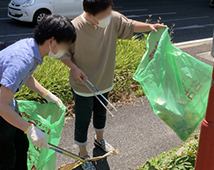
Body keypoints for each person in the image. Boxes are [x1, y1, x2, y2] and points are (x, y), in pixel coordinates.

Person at [60, 0, 166, 169]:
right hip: (83, 85)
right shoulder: (73, 28)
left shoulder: (111, 18)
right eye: (104, 15)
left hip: (105, 80)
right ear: (89, 14)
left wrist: (150, 26)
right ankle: (83, 155)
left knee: (101, 113)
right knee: (82, 120)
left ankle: (100, 140)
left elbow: (129, 25)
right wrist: (73, 68)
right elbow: (62, 53)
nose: (109, 18)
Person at [0, 15, 76, 170]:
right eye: (65, 45)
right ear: (52, 41)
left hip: (6, 100)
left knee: (21, 144)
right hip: (2, 104)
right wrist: (29, 128)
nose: (66, 50)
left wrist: (47, 94)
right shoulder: (22, 59)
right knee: (6, 155)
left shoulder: (32, 48)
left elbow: (25, 77)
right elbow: (1, 106)